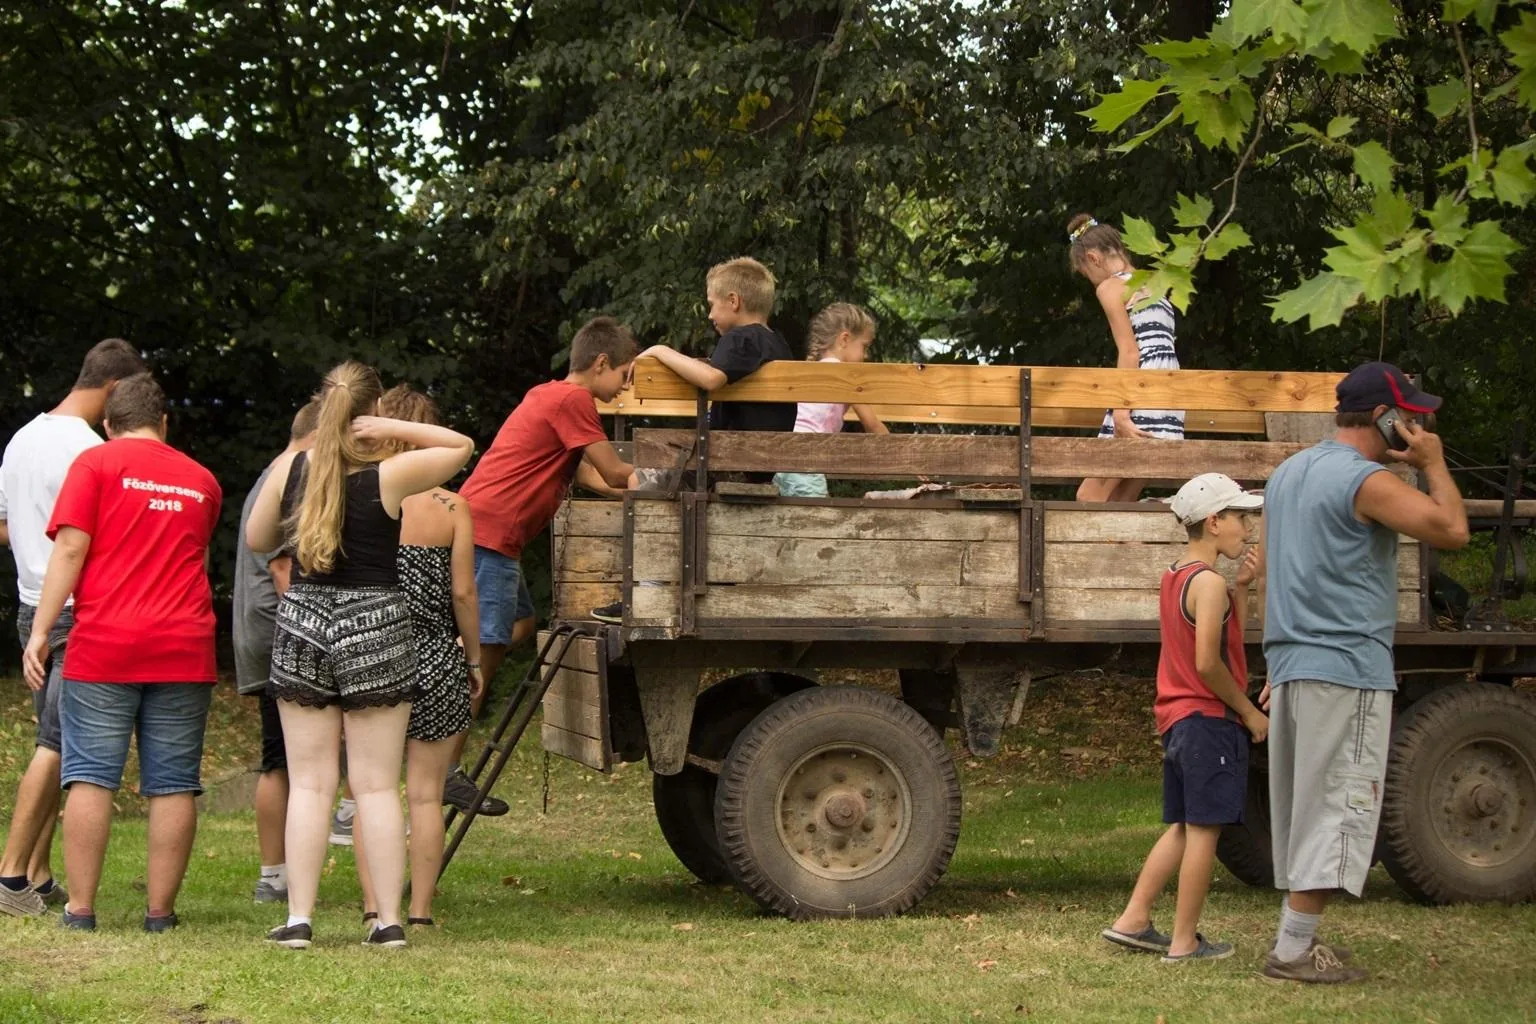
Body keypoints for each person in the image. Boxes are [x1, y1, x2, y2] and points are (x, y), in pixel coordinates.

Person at [245, 361, 475, 951]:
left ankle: (298, 918)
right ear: (369, 415)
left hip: (305, 621)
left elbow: (256, 538)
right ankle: (389, 922)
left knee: (311, 783)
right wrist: (379, 432)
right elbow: (461, 446)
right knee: (375, 787)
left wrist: (320, 445)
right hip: (376, 622)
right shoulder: (391, 475)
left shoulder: (292, 467)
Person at [1260, 362, 1469, 984]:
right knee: (1337, 803)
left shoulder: (1289, 472)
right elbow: (1453, 529)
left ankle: (1295, 941)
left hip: (1293, 659)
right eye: (1412, 415)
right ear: (1385, 417)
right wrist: (1431, 463)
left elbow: (1271, 568)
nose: (1418, 424)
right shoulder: (1363, 480)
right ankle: (1293, 954)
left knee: (1306, 807)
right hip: (1345, 665)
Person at [22, 374, 222, 933]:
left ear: (108, 426)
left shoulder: (95, 464)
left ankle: (81, 909)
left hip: (105, 642)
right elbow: (195, 559)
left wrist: (40, 632)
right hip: (184, 644)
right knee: (174, 781)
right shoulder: (202, 480)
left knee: (89, 775)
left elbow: (69, 547)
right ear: (164, 423)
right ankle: (160, 914)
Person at [0, 337, 146, 917]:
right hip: (73, 608)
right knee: (57, 743)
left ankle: (36, 876)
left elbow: (7, 528)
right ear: (114, 391)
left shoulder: (21, 439)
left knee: (53, 742)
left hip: (29, 603)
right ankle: (10, 877)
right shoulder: (92, 450)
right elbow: (91, 537)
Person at [1102, 473, 1267, 963]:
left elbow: (1220, 638)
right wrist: (1248, 712)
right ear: (1214, 522)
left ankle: (1133, 919)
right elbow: (1208, 664)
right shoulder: (1209, 583)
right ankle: (1183, 941)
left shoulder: (1179, 575)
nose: (1247, 527)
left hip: (1178, 719)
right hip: (1209, 720)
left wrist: (1243, 588)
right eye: (1240, 517)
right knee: (1205, 831)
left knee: (1181, 825)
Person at [458, 316, 635, 736]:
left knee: (520, 622)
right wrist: (664, 479)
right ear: (601, 362)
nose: (625, 388)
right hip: (491, 536)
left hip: (487, 531)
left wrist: (638, 493)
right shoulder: (574, 401)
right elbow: (612, 472)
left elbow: (587, 476)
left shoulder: (548, 394)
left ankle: (448, 661)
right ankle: (446, 764)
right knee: (487, 651)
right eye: (625, 376)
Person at [592, 257, 792, 623]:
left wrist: (658, 351)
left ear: (734, 301)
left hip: (730, 465)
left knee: (643, 479)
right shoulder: (775, 343)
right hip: (756, 465)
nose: (710, 315)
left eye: (712, 305)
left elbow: (712, 379)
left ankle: (645, 593)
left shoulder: (740, 339)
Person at [355, 385, 484, 929]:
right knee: (426, 795)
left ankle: (371, 906)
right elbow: (463, 594)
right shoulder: (453, 506)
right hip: (436, 657)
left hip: (377, 653)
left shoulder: (361, 495)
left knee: (370, 788)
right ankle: (421, 910)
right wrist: (474, 660)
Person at [232, 400, 320, 904]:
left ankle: (276, 873)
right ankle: (274, 874)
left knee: (280, 759)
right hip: (281, 633)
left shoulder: (269, 474)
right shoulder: (294, 478)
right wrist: (316, 632)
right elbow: (284, 571)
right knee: (284, 761)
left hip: (260, 634)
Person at [1066, 214, 1183, 503]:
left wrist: (1120, 413)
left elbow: (1130, 351)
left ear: (1093, 258)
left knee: (1088, 498)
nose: (1090, 280)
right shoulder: (1154, 286)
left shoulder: (1110, 287)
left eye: (1084, 272)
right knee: (1120, 503)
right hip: (1169, 394)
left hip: (1140, 393)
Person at [773, 302, 888, 498]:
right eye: (864, 346)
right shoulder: (846, 377)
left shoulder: (813, 371)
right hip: (804, 462)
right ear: (844, 339)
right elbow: (873, 426)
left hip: (779, 458)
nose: (866, 355)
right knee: (818, 521)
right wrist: (906, 456)